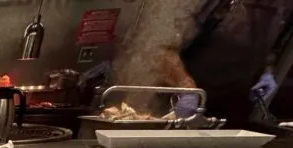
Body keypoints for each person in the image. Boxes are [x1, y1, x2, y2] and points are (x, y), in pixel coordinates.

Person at [113, 0, 292, 127]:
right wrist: (187, 90)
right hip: (169, 114)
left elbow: (272, 42)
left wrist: (268, 70)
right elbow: (158, 48)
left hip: (231, 119)